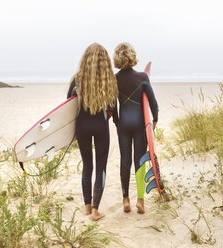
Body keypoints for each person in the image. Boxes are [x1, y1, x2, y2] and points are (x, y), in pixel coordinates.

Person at [67, 43, 118, 221]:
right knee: (100, 167)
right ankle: (96, 210)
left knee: (87, 165)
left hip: (82, 126)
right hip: (101, 126)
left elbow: (68, 104)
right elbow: (112, 107)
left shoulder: (77, 79)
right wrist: (109, 118)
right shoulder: (109, 79)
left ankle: (87, 206)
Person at [112, 42, 158, 214]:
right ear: (132, 56)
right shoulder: (143, 78)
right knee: (139, 159)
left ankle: (125, 199)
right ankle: (140, 200)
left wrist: (117, 121)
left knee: (125, 159)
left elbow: (112, 104)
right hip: (140, 125)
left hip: (123, 124)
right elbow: (153, 102)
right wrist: (155, 120)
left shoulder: (114, 79)